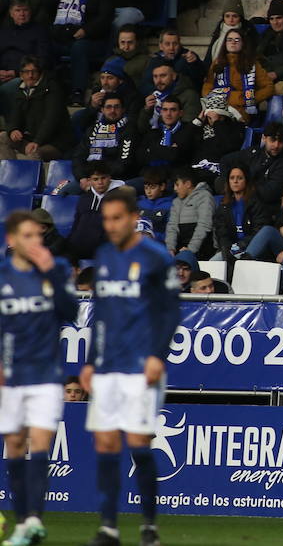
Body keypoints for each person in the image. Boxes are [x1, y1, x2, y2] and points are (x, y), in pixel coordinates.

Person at [80, 189, 179, 546]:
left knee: (138, 443)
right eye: (106, 219)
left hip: (141, 365)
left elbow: (170, 311)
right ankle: (108, 527)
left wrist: (157, 355)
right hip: (108, 366)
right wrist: (90, 362)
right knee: (106, 444)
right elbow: (100, 314)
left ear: (133, 217)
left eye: (117, 218)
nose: (111, 225)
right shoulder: (104, 255)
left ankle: (149, 527)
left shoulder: (154, 257)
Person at [0, 211, 77, 546]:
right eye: (27, 236)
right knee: (15, 444)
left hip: (46, 374)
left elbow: (70, 312)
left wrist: (51, 273)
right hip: (11, 375)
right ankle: (21, 522)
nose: (35, 242)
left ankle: (34, 519)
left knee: (40, 445)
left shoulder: (55, 270)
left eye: (38, 236)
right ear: (11, 240)